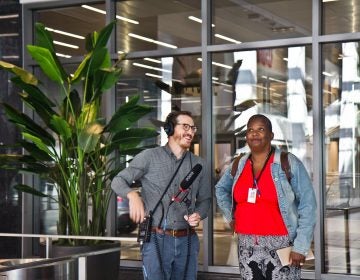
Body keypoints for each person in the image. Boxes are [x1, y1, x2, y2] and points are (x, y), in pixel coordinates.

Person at [111, 111, 211, 280]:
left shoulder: (199, 164)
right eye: (185, 126)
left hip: (187, 240)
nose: (190, 132)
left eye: (193, 128)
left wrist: (199, 214)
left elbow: (206, 200)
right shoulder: (148, 157)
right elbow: (118, 180)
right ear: (170, 129)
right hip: (156, 238)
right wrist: (132, 195)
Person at [215, 114, 317, 280]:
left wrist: (301, 246)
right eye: (250, 130)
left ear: (271, 135)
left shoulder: (287, 162)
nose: (254, 133)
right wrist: (231, 216)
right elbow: (220, 189)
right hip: (247, 245)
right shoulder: (239, 164)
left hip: (281, 245)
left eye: (260, 129)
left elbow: (308, 205)